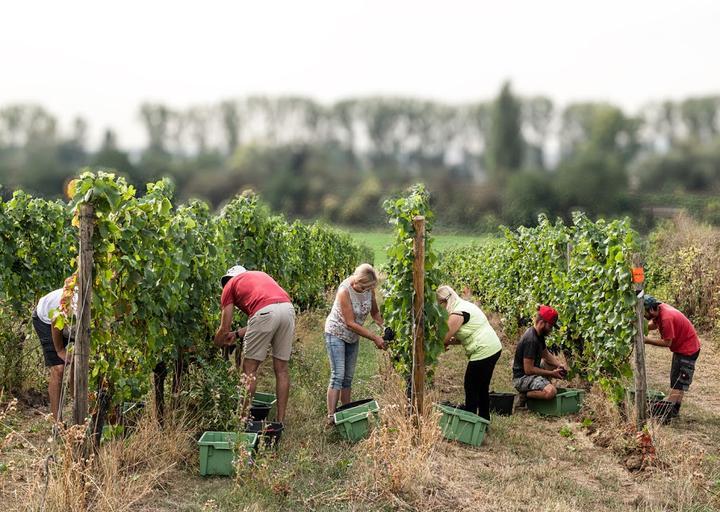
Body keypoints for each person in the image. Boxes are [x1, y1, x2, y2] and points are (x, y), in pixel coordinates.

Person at [214, 265, 295, 423]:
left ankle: (242, 422)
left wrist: (216, 343)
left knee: (249, 371)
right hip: (287, 309)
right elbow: (269, 308)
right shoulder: (259, 276)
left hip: (265, 312)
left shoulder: (229, 286)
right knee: (282, 369)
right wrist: (237, 335)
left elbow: (225, 327)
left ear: (229, 279)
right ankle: (280, 422)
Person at [324, 264, 385, 424]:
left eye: (368, 288)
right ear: (357, 282)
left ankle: (346, 412)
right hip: (336, 332)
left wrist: (384, 328)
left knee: (348, 377)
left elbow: (375, 312)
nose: (365, 290)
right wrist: (374, 337)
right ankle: (331, 417)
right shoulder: (344, 291)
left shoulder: (368, 288)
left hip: (353, 336)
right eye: (362, 287)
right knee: (338, 375)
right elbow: (350, 323)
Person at [437, 285, 502, 421]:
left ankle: (470, 420)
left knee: (471, 385)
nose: (439, 307)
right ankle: (484, 420)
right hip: (492, 347)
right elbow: (463, 336)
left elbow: (444, 337)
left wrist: (439, 343)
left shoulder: (457, 313)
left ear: (446, 301)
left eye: (439, 303)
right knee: (482, 386)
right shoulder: (464, 305)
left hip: (483, 349)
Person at [643, 295, 701, 419]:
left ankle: (667, 414)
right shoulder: (659, 309)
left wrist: (646, 340)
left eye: (644, 312)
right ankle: (674, 411)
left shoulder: (666, 318)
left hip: (688, 350)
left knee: (677, 384)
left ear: (652, 310)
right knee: (677, 382)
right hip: (683, 348)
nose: (643, 315)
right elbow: (653, 324)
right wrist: (641, 327)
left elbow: (667, 342)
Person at [32, 284, 77, 420]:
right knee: (59, 368)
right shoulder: (73, 305)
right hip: (46, 319)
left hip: (70, 324)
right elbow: (55, 321)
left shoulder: (98, 305)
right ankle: (57, 424)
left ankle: (76, 402)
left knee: (78, 359)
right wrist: (60, 350)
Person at [512, 305, 567, 406]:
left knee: (549, 363)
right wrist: (551, 373)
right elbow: (528, 370)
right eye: (550, 326)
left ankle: (541, 386)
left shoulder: (538, 334)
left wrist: (559, 365)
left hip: (530, 373)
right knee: (551, 392)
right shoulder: (531, 340)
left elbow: (545, 354)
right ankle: (524, 395)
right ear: (542, 323)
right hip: (522, 379)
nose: (551, 330)